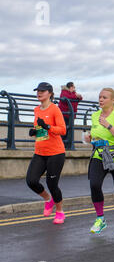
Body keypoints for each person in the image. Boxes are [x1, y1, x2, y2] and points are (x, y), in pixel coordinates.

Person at [83, 88, 114, 234]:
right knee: (94, 184)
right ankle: (100, 219)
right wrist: (89, 138)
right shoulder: (94, 116)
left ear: (112, 100)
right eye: (99, 97)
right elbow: (95, 135)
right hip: (100, 154)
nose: (100, 99)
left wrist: (108, 125)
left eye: (104, 97)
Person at [26, 82, 67, 224]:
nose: (39, 93)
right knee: (31, 181)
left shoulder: (55, 109)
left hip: (55, 153)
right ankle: (48, 199)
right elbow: (40, 130)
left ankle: (60, 211)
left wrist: (48, 126)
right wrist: (34, 132)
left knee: (52, 184)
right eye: (37, 90)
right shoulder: (36, 109)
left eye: (42, 91)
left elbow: (62, 130)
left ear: (50, 93)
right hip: (40, 152)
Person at [58, 82, 83, 148]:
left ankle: (67, 145)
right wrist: (76, 96)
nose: (74, 88)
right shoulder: (64, 92)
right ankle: (61, 145)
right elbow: (67, 97)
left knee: (69, 130)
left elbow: (80, 98)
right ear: (70, 87)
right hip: (64, 114)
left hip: (71, 115)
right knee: (64, 130)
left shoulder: (73, 93)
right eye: (73, 87)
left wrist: (79, 97)